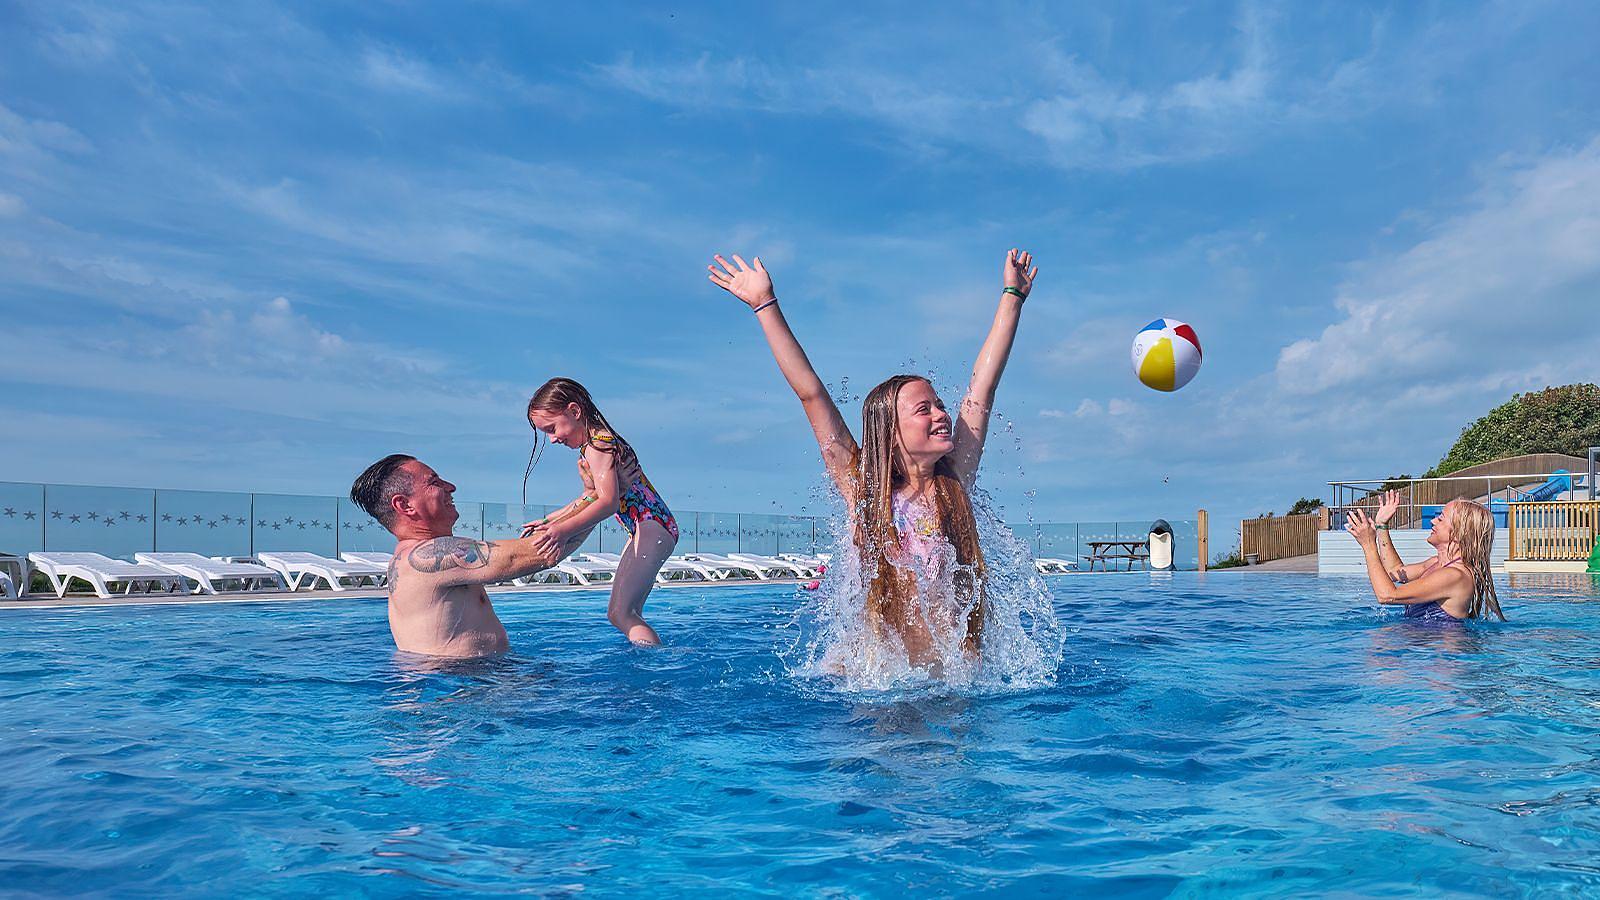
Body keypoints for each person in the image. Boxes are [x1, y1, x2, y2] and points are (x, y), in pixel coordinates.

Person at [706, 249, 1038, 670]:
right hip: (883, 681)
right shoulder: (865, 490)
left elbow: (982, 389)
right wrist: (764, 305)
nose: (942, 414)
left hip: (954, 680)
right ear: (890, 434)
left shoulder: (954, 480)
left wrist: (1012, 295)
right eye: (925, 410)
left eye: (939, 404)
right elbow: (811, 393)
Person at [350, 454, 592, 657]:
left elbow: (530, 549)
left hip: (458, 682)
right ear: (405, 505)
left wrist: (589, 497)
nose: (451, 486)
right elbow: (538, 553)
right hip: (457, 689)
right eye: (434, 482)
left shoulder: (419, 555)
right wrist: (600, 497)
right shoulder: (429, 556)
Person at [523, 378, 677, 646]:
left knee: (621, 614)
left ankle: (655, 667)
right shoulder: (595, 444)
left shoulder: (598, 445)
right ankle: (651, 662)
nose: (552, 439)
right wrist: (551, 519)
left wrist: (562, 530)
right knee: (627, 613)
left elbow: (606, 503)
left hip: (651, 526)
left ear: (574, 411)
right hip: (650, 526)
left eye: (552, 428)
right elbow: (591, 497)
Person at [1344, 489, 1505, 621]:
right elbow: (1394, 571)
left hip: (1442, 658)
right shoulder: (1435, 563)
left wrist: (1368, 545)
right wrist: (1381, 526)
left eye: (1441, 519)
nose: (1433, 521)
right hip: (1423, 652)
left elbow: (1387, 595)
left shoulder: (1454, 575)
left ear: (1458, 533)